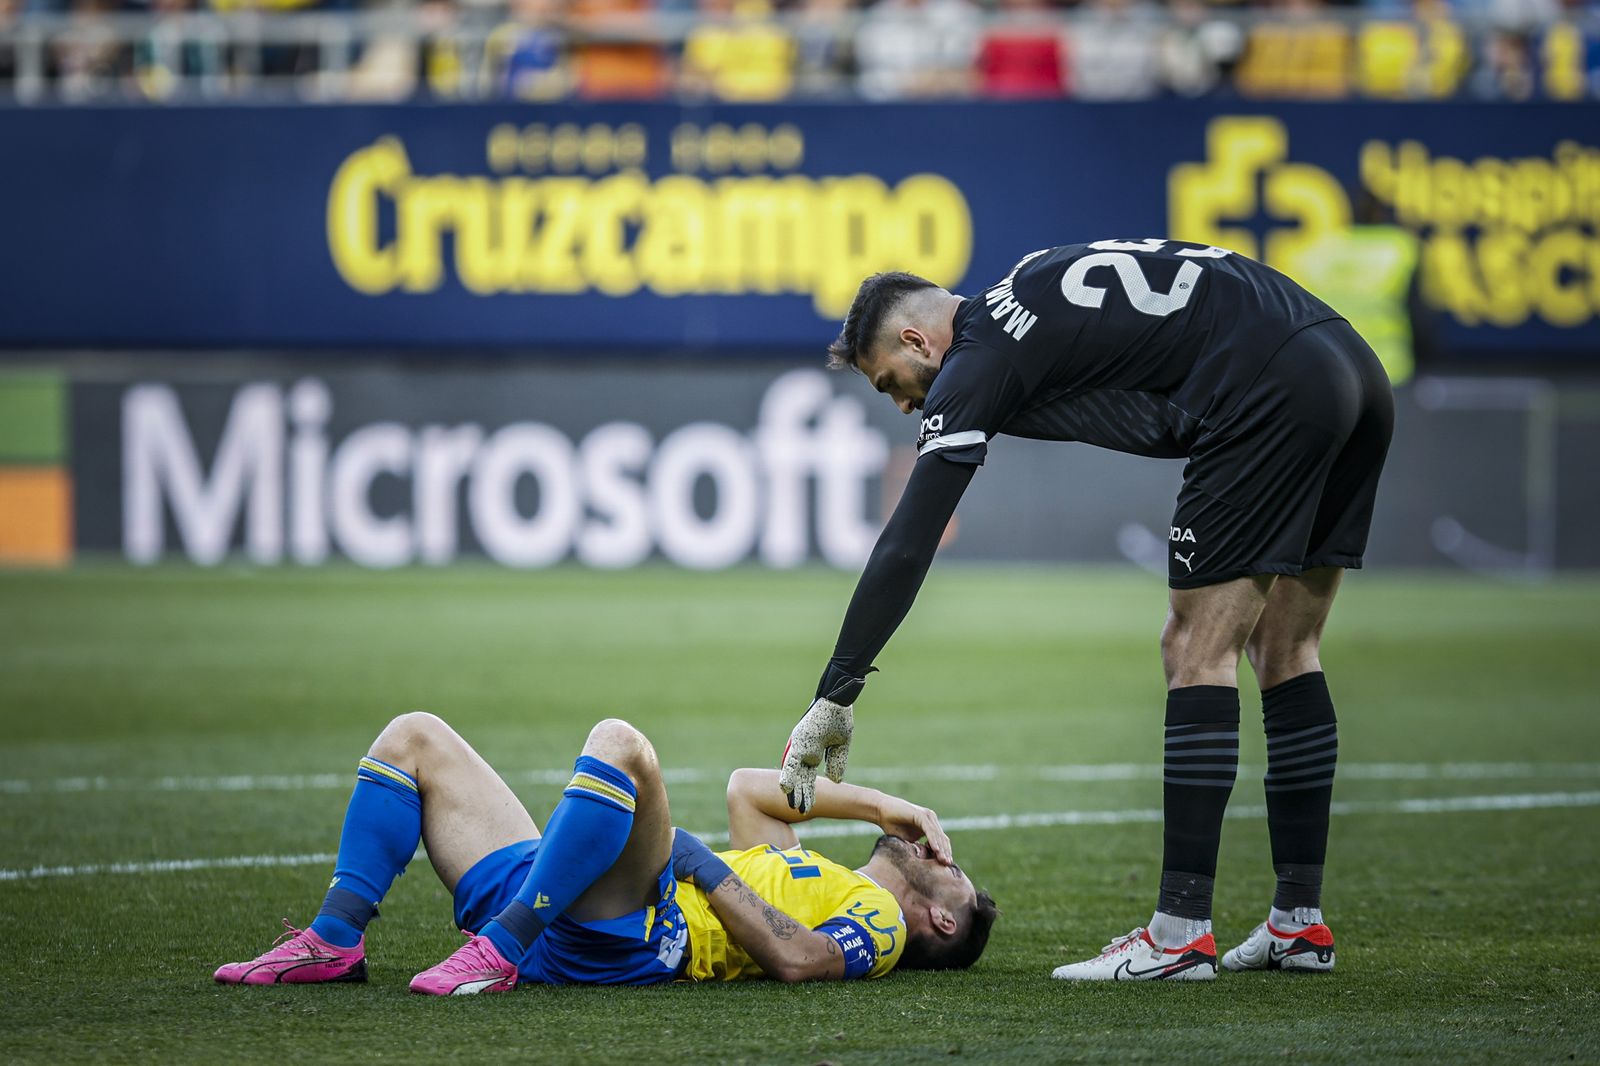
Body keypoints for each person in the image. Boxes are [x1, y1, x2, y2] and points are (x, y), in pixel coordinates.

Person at [778, 238, 1392, 981]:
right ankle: (1298, 924)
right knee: (1287, 649)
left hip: (1265, 390)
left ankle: (1180, 934)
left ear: (916, 340)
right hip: (1351, 365)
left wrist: (837, 691)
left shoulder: (978, 354)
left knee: (1194, 649)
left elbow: (909, 542)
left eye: (891, 383)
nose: (906, 404)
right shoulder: (1032, 277)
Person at [214, 713, 996, 991]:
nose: (939, 853)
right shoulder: (807, 870)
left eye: (951, 871)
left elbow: (802, 959)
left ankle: (499, 951)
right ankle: (334, 942)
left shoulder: (880, 921)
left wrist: (698, 863)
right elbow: (749, 789)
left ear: (942, 920)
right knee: (414, 738)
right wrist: (885, 806)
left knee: (622, 745)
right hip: (574, 898)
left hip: (636, 931)